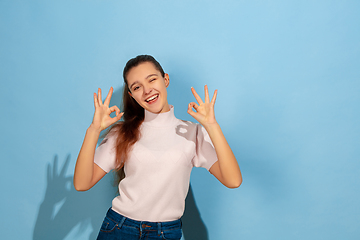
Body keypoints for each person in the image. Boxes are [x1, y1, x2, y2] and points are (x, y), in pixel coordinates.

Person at [73, 55, 242, 240]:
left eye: (152, 79)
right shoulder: (122, 133)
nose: (147, 91)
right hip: (119, 228)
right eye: (137, 87)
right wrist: (93, 130)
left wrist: (212, 126)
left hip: (166, 233)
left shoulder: (192, 132)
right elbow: (82, 183)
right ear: (131, 95)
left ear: (165, 79)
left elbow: (233, 180)